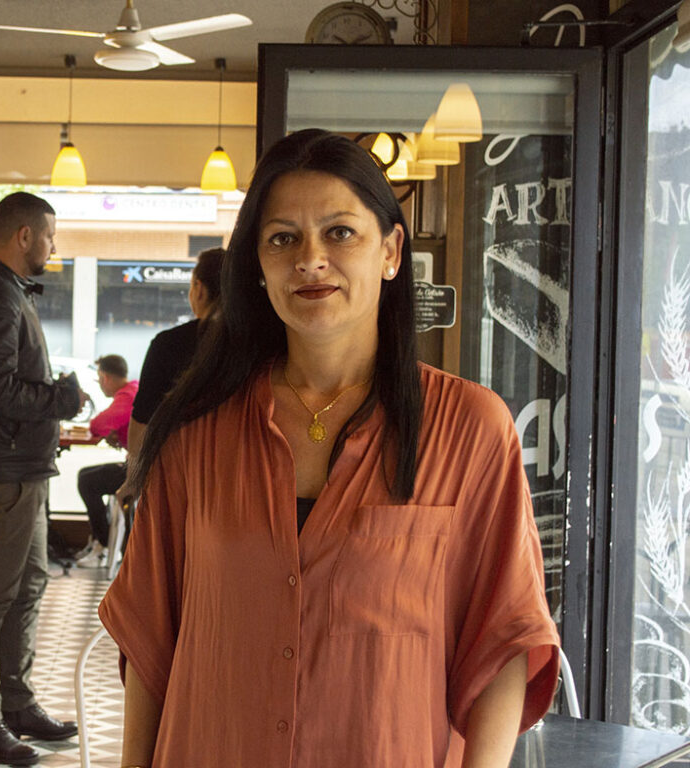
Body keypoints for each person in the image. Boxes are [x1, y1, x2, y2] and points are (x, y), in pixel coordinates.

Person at [98, 129, 560, 768]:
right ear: (258, 266)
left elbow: (504, 638)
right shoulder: (197, 434)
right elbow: (152, 641)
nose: (310, 259)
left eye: (340, 232)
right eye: (283, 238)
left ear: (391, 250)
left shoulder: (469, 429)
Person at [0, 191, 83, 766]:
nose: (55, 246)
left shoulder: (6, 293)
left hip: (19, 471)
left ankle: (16, 704)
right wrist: (61, 397)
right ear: (24, 236)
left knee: (27, 589)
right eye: (50, 235)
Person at [114, 246, 224, 506]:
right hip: (242, 482)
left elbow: (142, 419)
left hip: (180, 479)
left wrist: (133, 480)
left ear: (199, 288)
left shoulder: (170, 344)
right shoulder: (258, 345)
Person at [74, 353, 138, 567]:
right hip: (138, 464)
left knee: (87, 482)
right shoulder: (133, 389)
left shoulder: (127, 396)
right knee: (86, 475)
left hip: (139, 471)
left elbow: (97, 424)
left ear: (105, 378)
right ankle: (99, 541)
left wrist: (111, 431)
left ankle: (104, 546)